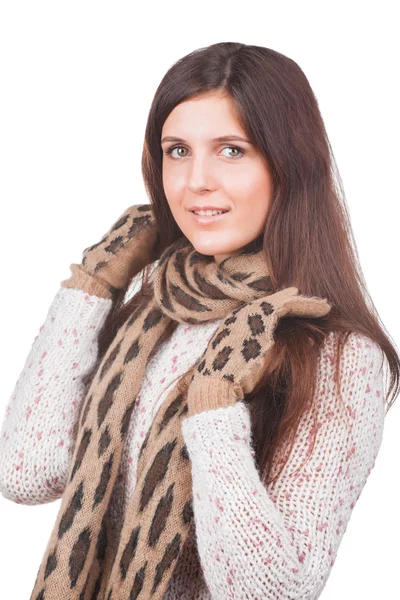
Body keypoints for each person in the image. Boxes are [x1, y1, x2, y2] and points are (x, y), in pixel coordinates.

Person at [0, 41, 398, 600]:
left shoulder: (339, 357)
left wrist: (214, 403)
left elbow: (270, 590)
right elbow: (26, 473)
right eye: (178, 150)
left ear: (289, 165)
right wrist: (91, 287)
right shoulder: (153, 310)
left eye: (232, 151)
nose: (195, 182)